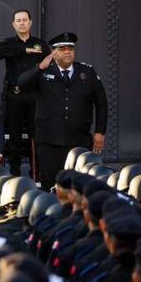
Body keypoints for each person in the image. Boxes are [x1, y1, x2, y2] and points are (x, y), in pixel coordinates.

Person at [17, 32, 108, 190]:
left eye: (71, 49)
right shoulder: (44, 72)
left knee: (79, 185)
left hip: (78, 140)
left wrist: (100, 131)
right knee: (50, 184)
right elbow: (21, 83)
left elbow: (101, 103)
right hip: (49, 141)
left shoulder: (87, 72)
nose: (68, 52)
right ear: (54, 52)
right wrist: (39, 68)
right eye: (63, 49)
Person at [0, 9, 47, 176]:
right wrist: (26, 50)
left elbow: (49, 61)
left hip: (35, 97)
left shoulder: (40, 44)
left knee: (36, 135)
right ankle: (15, 174)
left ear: (30, 22)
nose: (22, 23)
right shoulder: (8, 43)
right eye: (18, 20)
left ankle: (36, 173)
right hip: (14, 96)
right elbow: (0, 52)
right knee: (15, 138)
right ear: (13, 24)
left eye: (25, 20)